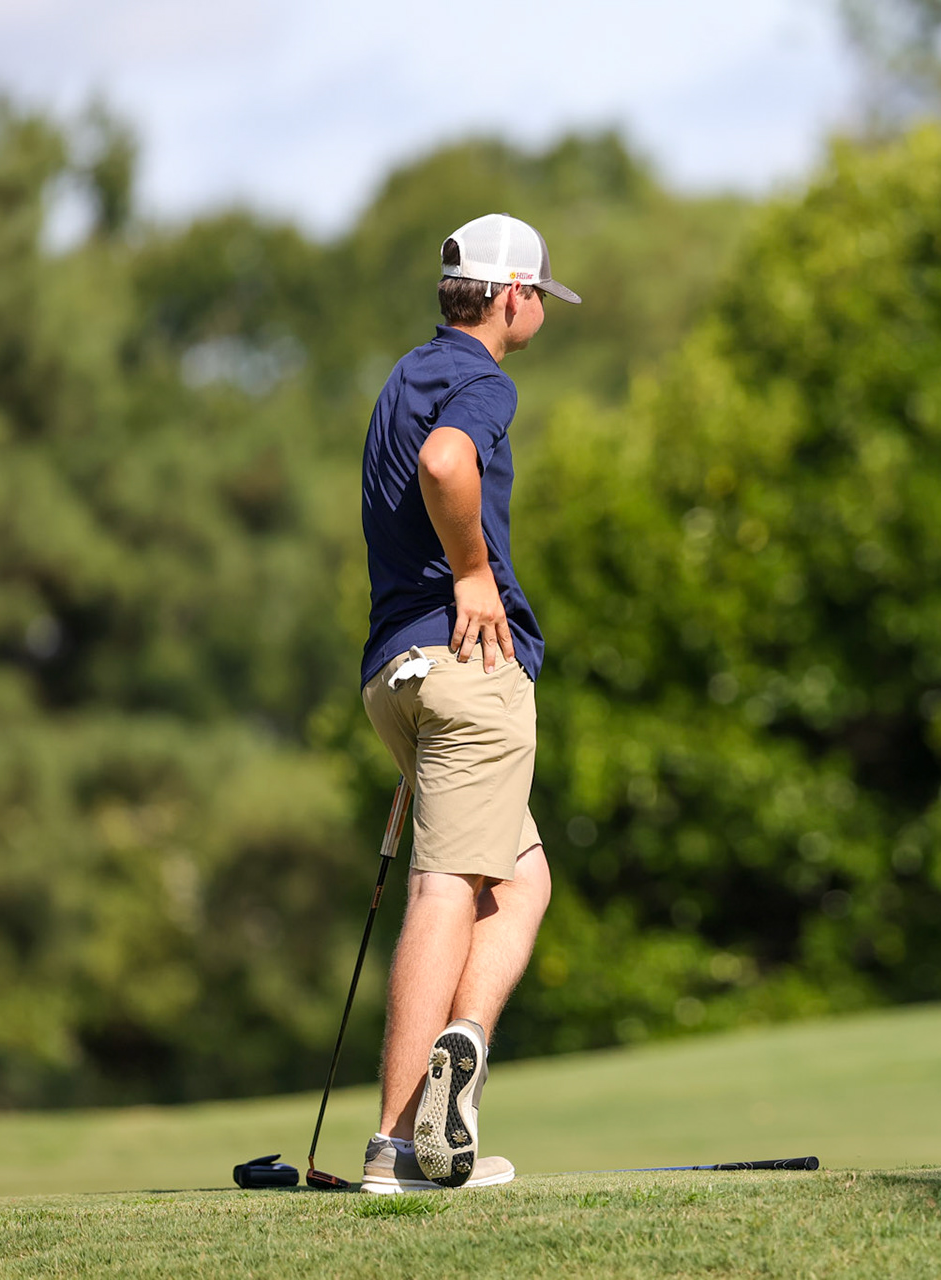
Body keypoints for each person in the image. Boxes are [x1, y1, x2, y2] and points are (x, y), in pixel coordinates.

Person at [353, 213, 580, 1193]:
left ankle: (460, 1044)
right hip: (467, 659)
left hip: (394, 673)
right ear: (513, 296)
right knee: (450, 884)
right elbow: (450, 463)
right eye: (538, 293)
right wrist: (477, 574)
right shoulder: (484, 380)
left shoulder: (404, 374)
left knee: (522, 879)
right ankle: (399, 1143)